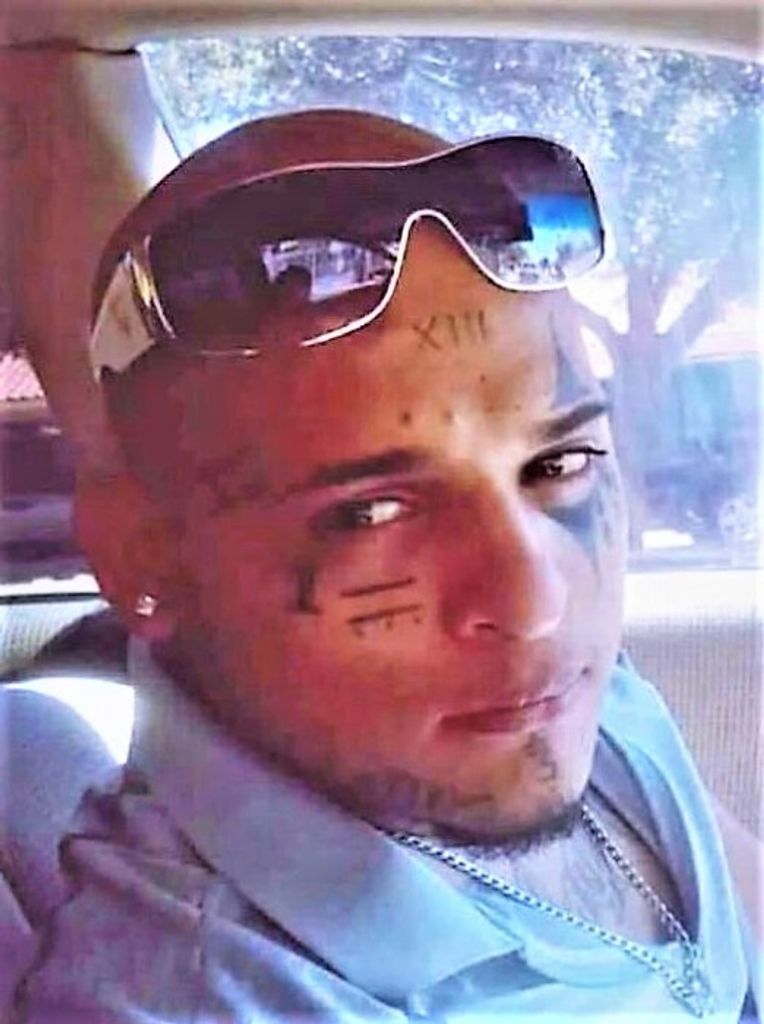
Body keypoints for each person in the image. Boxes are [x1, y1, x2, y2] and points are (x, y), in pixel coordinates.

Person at [3, 108, 760, 1022]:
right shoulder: (209, 997)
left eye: (556, 465)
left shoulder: (550, 702)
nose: (537, 601)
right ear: (139, 556)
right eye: (370, 512)